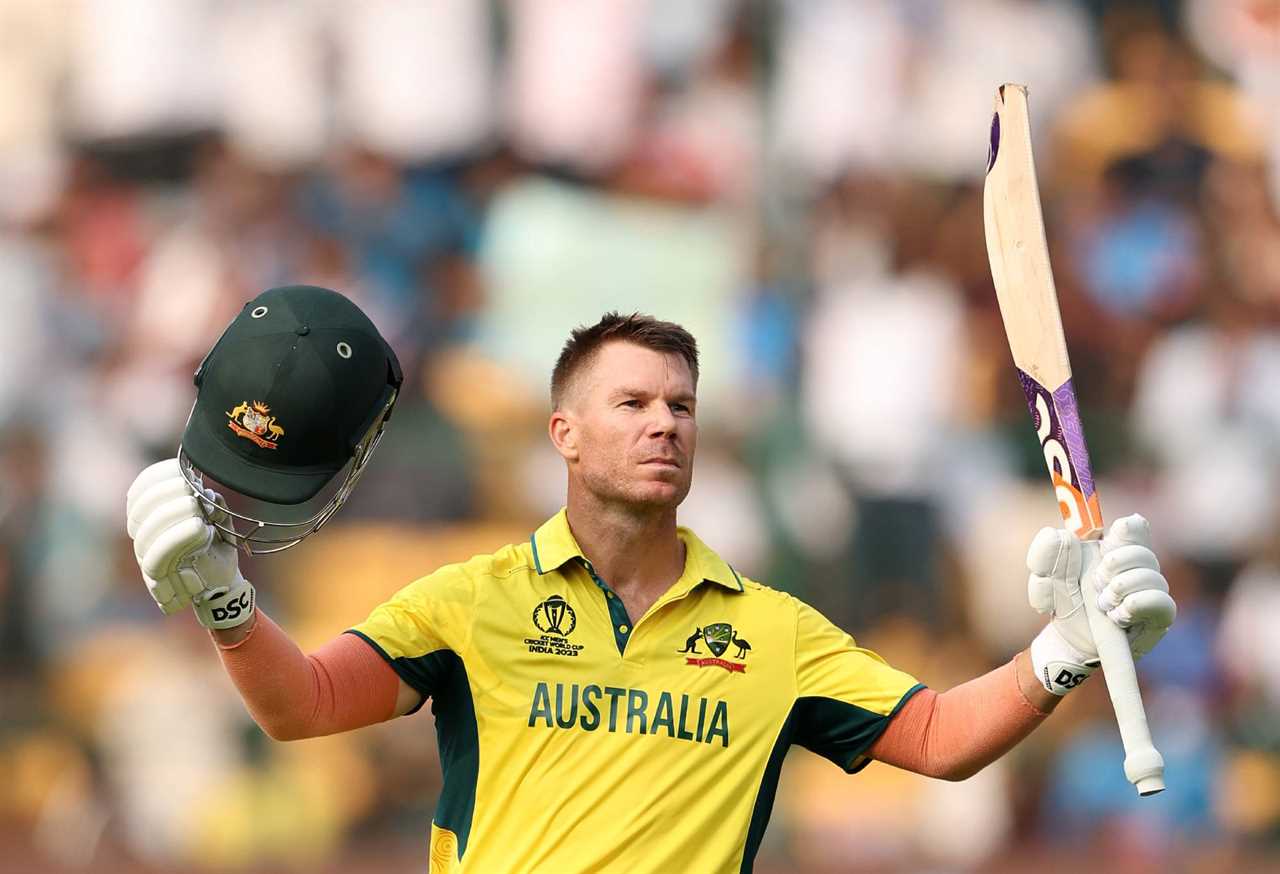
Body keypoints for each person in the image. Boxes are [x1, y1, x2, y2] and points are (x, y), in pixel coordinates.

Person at [126, 309, 1176, 873]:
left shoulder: (771, 630)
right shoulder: (467, 600)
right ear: (564, 435)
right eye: (629, 401)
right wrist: (226, 603)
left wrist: (1063, 647)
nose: (663, 422)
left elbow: (938, 738)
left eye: (679, 403)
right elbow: (300, 703)